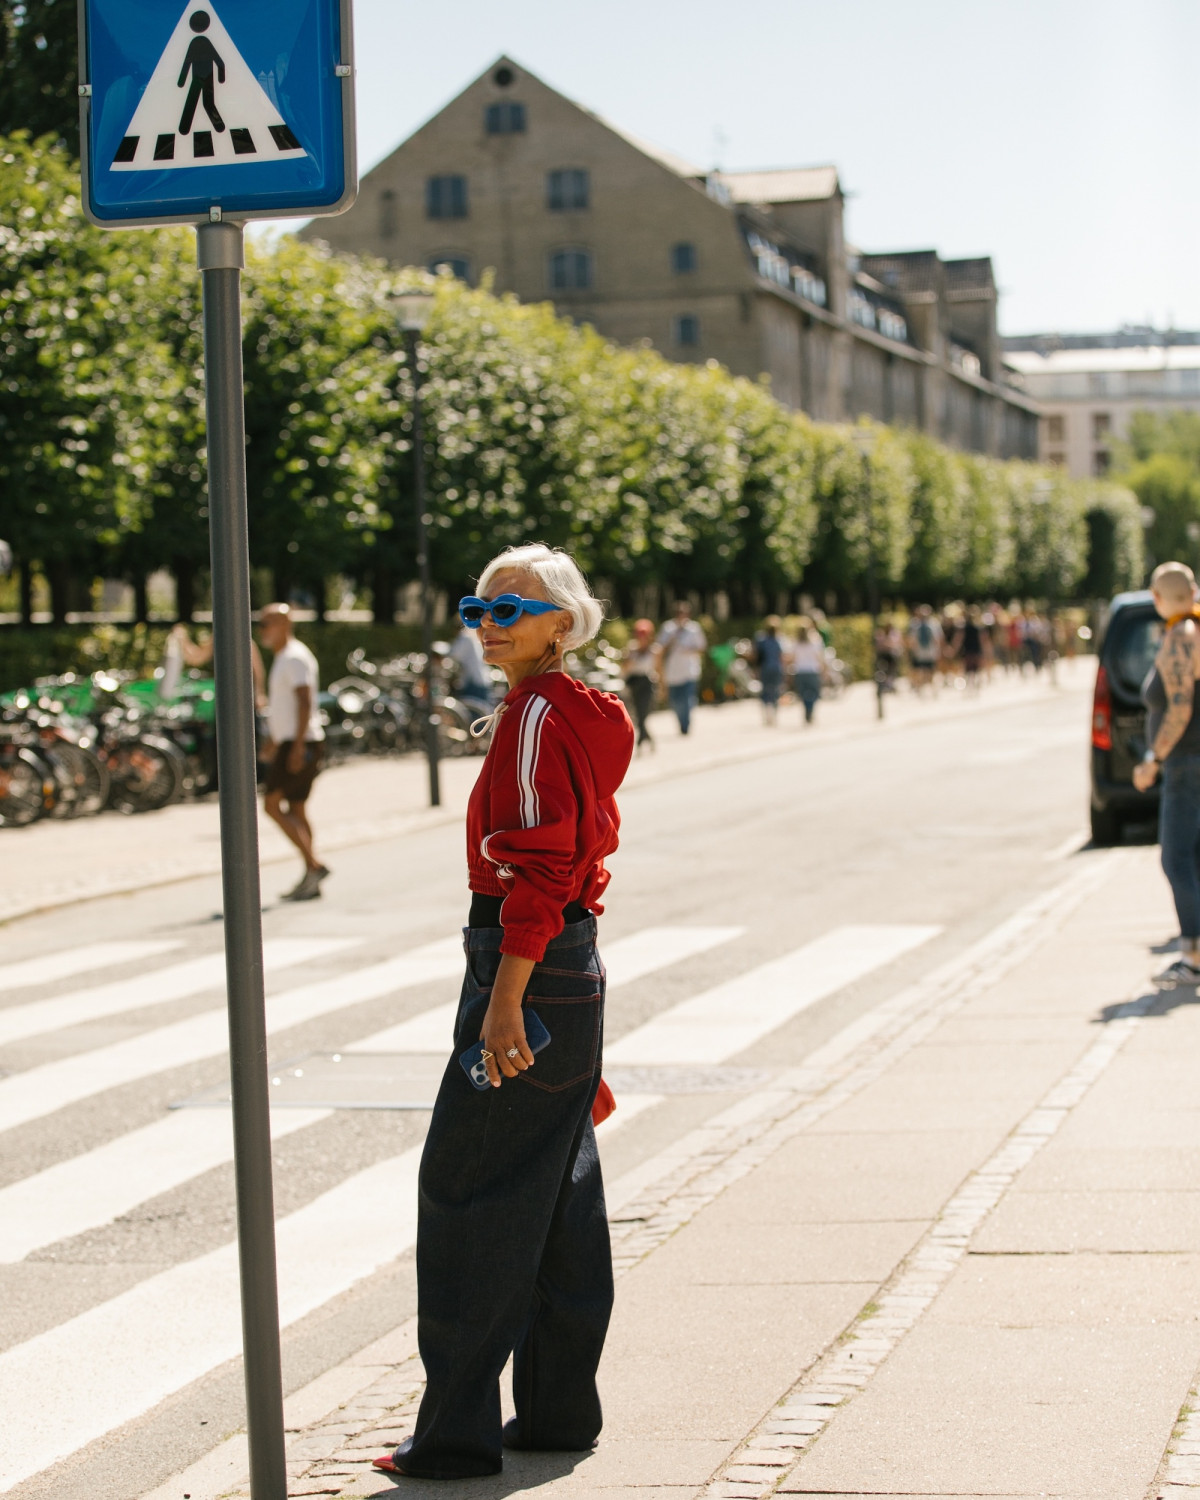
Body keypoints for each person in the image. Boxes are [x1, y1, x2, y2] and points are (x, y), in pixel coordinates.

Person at [373, 543, 634, 1480]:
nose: (488, 625)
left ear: (562, 623)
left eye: (510, 610)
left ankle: (452, 1437)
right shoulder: (585, 710)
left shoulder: (531, 715)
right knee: (560, 1190)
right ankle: (559, 1411)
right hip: (568, 957)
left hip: (524, 959)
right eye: (477, 609)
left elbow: (539, 861)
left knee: (469, 1193)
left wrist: (506, 1000)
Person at [1134, 562, 1200, 985]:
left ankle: (1193, 956)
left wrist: (1153, 759)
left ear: (1157, 598)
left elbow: (1179, 708)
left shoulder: (1182, 637)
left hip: (1187, 762)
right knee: (1193, 857)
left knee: (1175, 858)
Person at [257, 604, 328, 902]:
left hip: (301, 742)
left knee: (271, 805)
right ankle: (311, 876)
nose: (262, 630)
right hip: (295, 741)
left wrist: (296, 746)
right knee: (297, 808)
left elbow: (304, 701)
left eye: (267, 623)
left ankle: (314, 865)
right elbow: (287, 707)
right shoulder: (284, 657)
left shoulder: (294, 657)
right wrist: (275, 741)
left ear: (284, 624)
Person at [657, 600, 706, 736]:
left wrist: (689, 650)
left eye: (683, 613)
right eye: (678, 613)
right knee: (675, 702)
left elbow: (702, 648)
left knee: (688, 699)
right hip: (672, 672)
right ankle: (681, 723)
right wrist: (671, 640)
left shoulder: (694, 628)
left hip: (690, 671)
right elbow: (659, 648)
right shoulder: (668, 628)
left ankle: (686, 725)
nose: (681, 615)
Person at [622, 617, 659, 752]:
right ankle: (647, 738)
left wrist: (663, 688)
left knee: (643, 712)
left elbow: (658, 669)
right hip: (634, 683)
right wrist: (632, 659)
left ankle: (640, 741)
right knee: (637, 713)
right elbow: (624, 668)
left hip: (647, 683)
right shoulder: (631, 649)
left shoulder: (654, 650)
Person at [789, 619, 824, 725]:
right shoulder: (815, 640)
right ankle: (810, 711)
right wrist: (823, 669)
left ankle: (807, 710)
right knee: (814, 693)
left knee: (803, 693)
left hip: (800, 671)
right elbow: (819, 656)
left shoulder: (795, 643)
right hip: (812, 670)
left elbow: (792, 657)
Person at [753, 615, 785, 725]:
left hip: (765, 668)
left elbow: (757, 656)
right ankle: (774, 714)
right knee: (775, 691)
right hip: (776, 668)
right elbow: (782, 656)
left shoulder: (761, 639)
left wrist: (756, 668)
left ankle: (767, 714)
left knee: (765, 691)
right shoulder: (779, 640)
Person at [905, 605, 942, 696]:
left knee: (931, 670)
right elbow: (911, 639)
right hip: (919, 652)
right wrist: (911, 650)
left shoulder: (934, 624)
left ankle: (932, 689)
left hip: (930, 651)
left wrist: (938, 650)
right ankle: (919, 689)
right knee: (918, 671)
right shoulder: (914, 624)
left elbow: (938, 638)